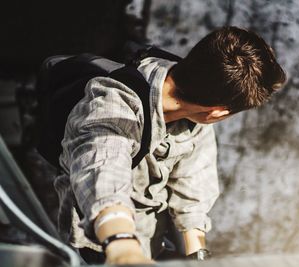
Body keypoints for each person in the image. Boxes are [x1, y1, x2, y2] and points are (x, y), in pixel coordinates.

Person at [54, 26, 286, 264]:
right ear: (218, 113)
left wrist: (197, 256)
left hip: (151, 246)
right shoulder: (113, 103)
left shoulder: (197, 108)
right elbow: (101, 172)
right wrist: (124, 248)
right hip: (99, 249)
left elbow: (193, 192)